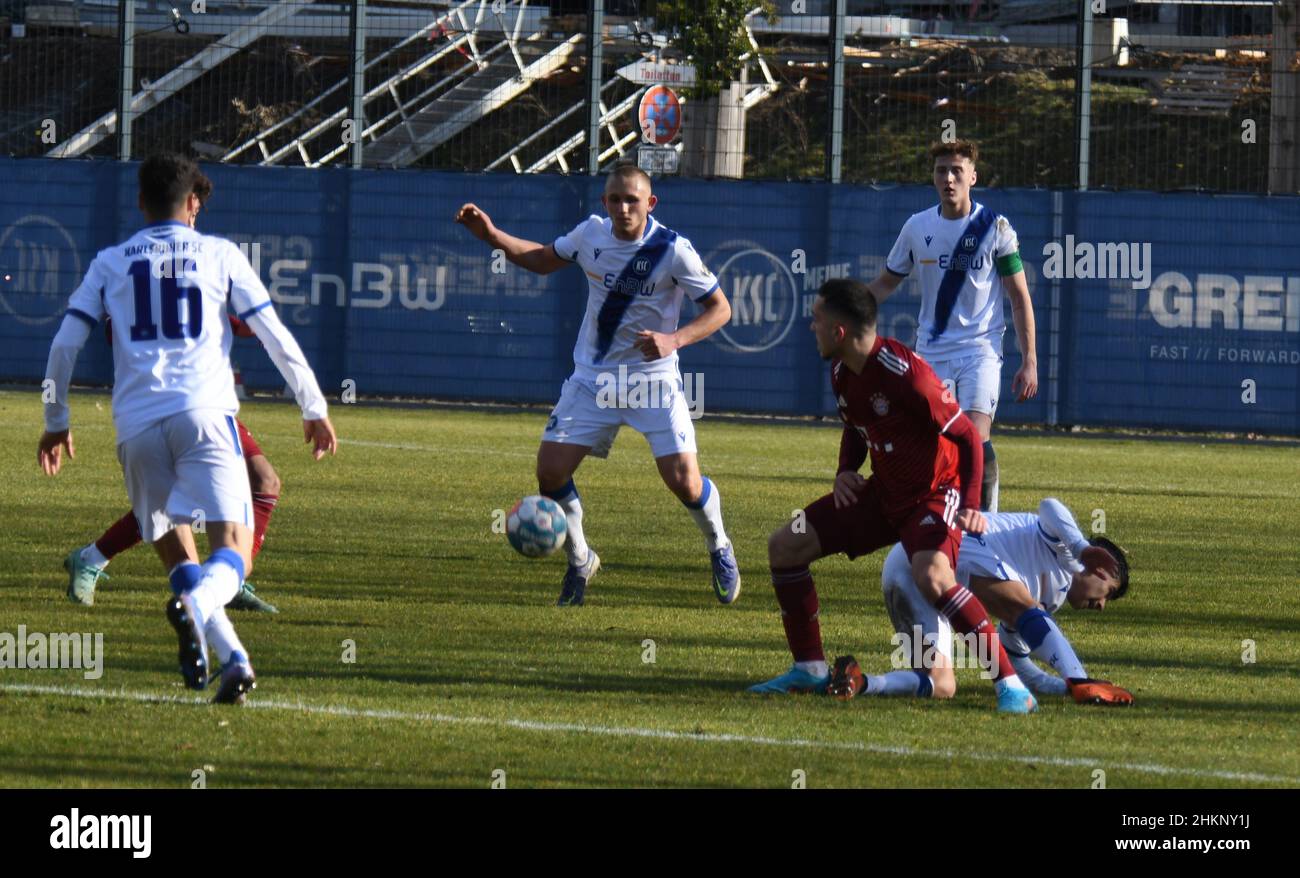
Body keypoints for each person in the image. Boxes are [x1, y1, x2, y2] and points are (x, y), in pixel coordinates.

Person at [38, 153, 336, 704]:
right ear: (191, 202)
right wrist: (312, 405)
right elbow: (272, 331)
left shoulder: (109, 261)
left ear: (140, 201)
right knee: (233, 552)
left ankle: (236, 663)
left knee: (180, 558)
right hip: (205, 417)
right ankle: (196, 609)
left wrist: (56, 421)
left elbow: (62, 346)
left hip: (135, 428)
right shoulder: (220, 254)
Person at [455, 163, 739, 607]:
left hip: (652, 381)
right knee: (550, 471)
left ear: (650, 203)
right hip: (594, 379)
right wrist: (493, 236)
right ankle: (580, 559)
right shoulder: (590, 235)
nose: (623, 207)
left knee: (684, 481)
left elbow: (720, 309)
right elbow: (541, 260)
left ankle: (719, 545)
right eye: (614, 199)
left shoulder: (673, 249)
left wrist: (673, 339)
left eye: (632, 199)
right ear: (604, 202)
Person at [752, 278, 1036, 713]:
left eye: (817, 320)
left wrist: (973, 506)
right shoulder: (841, 370)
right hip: (883, 494)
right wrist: (846, 470)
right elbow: (856, 426)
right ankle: (808, 668)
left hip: (934, 496)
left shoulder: (910, 376)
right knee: (785, 545)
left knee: (933, 576)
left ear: (839, 331)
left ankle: (1012, 686)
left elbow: (968, 438)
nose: (811, 327)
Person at [63, 315, 280, 614]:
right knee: (168, 500)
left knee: (264, 481)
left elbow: (240, 325)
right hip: (159, 405)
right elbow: (118, 329)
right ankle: (93, 558)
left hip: (205, 404)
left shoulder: (193, 279)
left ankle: (229, 579)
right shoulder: (134, 280)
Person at [864, 139, 1037, 512]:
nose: (949, 178)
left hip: (981, 351)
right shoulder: (916, 227)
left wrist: (1030, 361)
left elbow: (1019, 297)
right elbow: (885, 283)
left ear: (973, 177)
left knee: (973, 437)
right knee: (932, 442)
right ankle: (931, 522)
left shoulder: (996, 228)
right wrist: (847, 310)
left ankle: (983, 527)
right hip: (932, 352)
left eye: (957, 171)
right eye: (942, 170)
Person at [829, 498, 1134, 705]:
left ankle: (860, 681)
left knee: (941, 685)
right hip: (940, 553)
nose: (1102, 604)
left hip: (903, 569)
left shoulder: (1045, 607)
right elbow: (1049, 505)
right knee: (1026, 608)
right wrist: (1081, 547)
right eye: (1108, 590)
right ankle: (1079, 678)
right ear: (1099, 566)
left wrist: (1062, 688)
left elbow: (1014, 663)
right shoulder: (1067, 552)